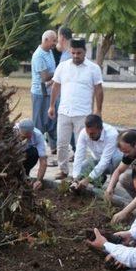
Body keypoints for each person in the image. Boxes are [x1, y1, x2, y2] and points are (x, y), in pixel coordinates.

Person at [49, 38, 104, 180]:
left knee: (81, 145)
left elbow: (98, 89)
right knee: (61, 144)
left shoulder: (93, 68)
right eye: (73, 53)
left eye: (79, 53)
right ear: (70, 51)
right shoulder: (63, 66)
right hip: (64, 111)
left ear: (85, 52)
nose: (75, 56)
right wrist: (51, 106)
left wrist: (98, 110)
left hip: (83, 113)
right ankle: (63, 170)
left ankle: (78, 173)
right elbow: (55, 86)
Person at [70, 114, 122, 191]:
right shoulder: (84, 133)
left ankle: (111, 187)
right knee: (81, 170)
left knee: (118, 159)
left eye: (92, 133)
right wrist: (75, 177)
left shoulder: (112, 134)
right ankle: (100, 179)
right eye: (88, 133)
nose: (89, 136)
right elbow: (79, 155)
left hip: (112, 163)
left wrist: (88, 179)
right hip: (97, 160)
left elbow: (105, 160)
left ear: (100, 129)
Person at [31, 30, 58, 155]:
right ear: (46, 40)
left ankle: (53, 147)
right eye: (54, 40)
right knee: (39, 123)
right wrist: (59, 72)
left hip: (49, 91)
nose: (55, 43)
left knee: (52, 120)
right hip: (39, 93)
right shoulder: (39, 55)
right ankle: (37, 150)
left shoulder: (49, 51)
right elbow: (45, 77)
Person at [15, 119, 47, 191]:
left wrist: (39, 180)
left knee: (34, 152)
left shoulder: (38, 135)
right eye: (23, 136)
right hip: (12, 156)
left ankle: (25, 175)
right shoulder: (12, 131)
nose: (25, 138)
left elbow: (43, 161)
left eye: (28, 136)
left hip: (25, 155)